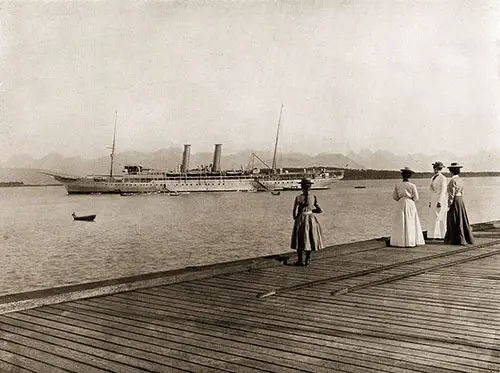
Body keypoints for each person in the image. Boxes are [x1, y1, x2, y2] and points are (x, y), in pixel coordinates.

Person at [290, 177, 324, 266]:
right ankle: (308, 260)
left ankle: (300, 260)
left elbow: (294, 211)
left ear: (302, 187)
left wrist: (296, 218)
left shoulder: (298, 197)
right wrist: (311, 211)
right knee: (310, 238)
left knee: (299, 239)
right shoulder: (313, 197)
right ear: (310, 187)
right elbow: (320, 210)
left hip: (301, 219)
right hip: (310, 219)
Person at [390, 167, 425, 248]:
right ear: (409, 176)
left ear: (402, 175)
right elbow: (416, 197)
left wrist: (401, 199)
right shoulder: (412, 185)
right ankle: (410, 241)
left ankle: (400, 241)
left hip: (401, 203)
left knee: (400, 221)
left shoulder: (398, 185)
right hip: (410, 203)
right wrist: (410, 199)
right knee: (410, 221)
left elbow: (394, 196)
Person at [444, 162, 474, 245]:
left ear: (451, 171)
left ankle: (455, 239)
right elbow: (462, 191)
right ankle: (466, 238)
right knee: (461, 218)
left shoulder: (452, 181)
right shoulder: (460, 180)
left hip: (455, 200)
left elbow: (451, 195)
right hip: (460, 200)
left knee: (453, 218)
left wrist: (449, 205)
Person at [427, 161, 447, 239]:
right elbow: (431, 189)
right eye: (435, 169)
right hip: (434, 198)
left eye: (438, 169)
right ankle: (433, 235)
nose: (436, 170)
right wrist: (430, 200)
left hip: (440, 199)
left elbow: (443, 190)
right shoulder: (433, 178)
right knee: (433, 217)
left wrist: (439, 201)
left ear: (440, 169)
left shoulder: (443, 178)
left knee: (440, 217)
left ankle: (442, 235)